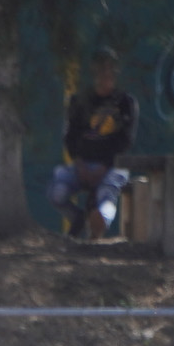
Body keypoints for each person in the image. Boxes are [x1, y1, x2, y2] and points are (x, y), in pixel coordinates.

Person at [47, 48, 137, 238]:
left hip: (112, 166)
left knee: (107, 196)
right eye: (101, 69)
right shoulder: (80, 100)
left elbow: (125, 141)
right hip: (82, 165)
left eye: (110, 69)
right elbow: (70, 137)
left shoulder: (125, 102)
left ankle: (99, 223)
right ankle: (78, 218)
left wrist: (104, 166)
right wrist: (79, 163)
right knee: (57, 191)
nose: (106, 74)